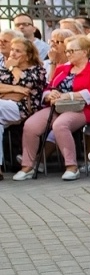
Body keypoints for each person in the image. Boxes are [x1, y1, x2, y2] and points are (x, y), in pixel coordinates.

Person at [14, 35, 90, 181]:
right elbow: (49, 87)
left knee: (60, 125)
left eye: (72, 51)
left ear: (85, 52)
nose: (68, 54)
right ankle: (28, 166)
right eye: (67, 51)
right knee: (30, 125)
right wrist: (50, 94)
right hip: (58, 107)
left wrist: (70, 95)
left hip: (82, 109)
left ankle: (71, 166)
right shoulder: (62, 68)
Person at [0, 39, 48, 174]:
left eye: (18, 51)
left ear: (28, 55)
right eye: (13, 50)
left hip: (23, 110)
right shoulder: (4, 69)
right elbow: (20, 88)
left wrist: (12, 68)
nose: (13, 53)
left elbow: (26, 84)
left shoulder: (38, 70)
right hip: (5, 108)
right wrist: (15, 90)